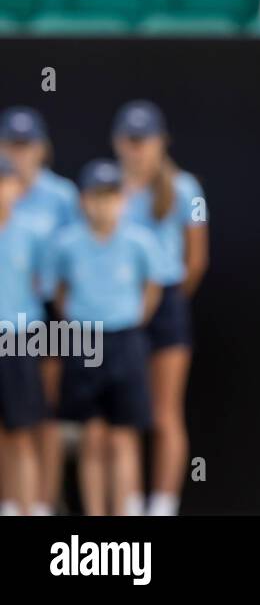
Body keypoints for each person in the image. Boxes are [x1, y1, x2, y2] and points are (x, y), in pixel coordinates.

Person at [48, 159, 162, 517]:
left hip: (124, 340)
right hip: (84, 341)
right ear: (83, 200)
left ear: (123, 199)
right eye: (96, 197)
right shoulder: (67, 244)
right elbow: (59, 292)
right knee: (92, 437)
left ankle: (125, 511)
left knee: (123, 435)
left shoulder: (139, 241)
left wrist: (130, 319)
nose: (104, 204)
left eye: (111, 196)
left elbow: (153, 287)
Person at [112, 100, 207, 517]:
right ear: (118, 143)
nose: (137, 149)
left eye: (144, 140)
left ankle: (163, 505)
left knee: (165, 411)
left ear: (160, 142)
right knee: (126, 412)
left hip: (167, 303)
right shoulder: (107, 188)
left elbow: (196, 260)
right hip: (117, 307)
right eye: (131, 141)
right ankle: (130, 504)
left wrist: (163, 302)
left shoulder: (188, 189)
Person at [0, 107, 77, 517]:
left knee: (44, 410)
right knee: (13, 416)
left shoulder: (62, 196)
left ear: (41, 149)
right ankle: (13, 500)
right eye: (12, 144)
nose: (19, 153)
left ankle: (44, 501)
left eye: (26, 145)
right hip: (11, 309)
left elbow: (73, 257)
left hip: (48, 311)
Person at [0, 154, 46, 517]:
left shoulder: (31, 233)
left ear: (17, 188)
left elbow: (44, 285)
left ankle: (29, 507)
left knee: (22, 432)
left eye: (5, 182)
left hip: (19, 339)